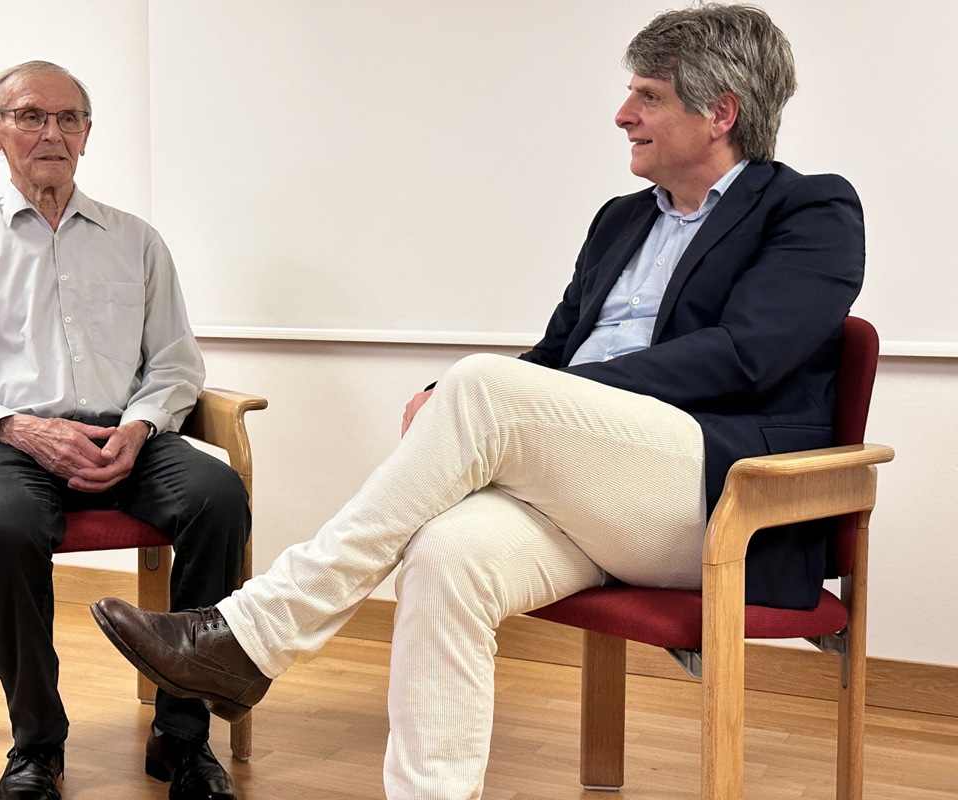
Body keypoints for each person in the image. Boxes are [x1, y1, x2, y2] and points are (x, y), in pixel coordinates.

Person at [91, 4, 865, 798]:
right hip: (592, 494)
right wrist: (482, 393)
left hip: (712, 499)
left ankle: (255, 633)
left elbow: (746, 354)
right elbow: (558, 352)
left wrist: (527, 395)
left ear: (721, 113)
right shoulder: (622, 221)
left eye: (649, 96)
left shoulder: (811, 210)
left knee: (484, 383)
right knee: (446, 556)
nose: (622, 114)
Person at [0, 61, 249, 800]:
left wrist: (143, 426)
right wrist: (18, 426)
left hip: (125, 437)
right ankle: (37, 746)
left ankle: (182, 738)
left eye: (68, 118)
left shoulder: (136, 241)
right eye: (29, 116)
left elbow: (177, 362)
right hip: (7, 443)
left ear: (87, 134)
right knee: (9, 523)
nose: (51, 132)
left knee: (218, 496)